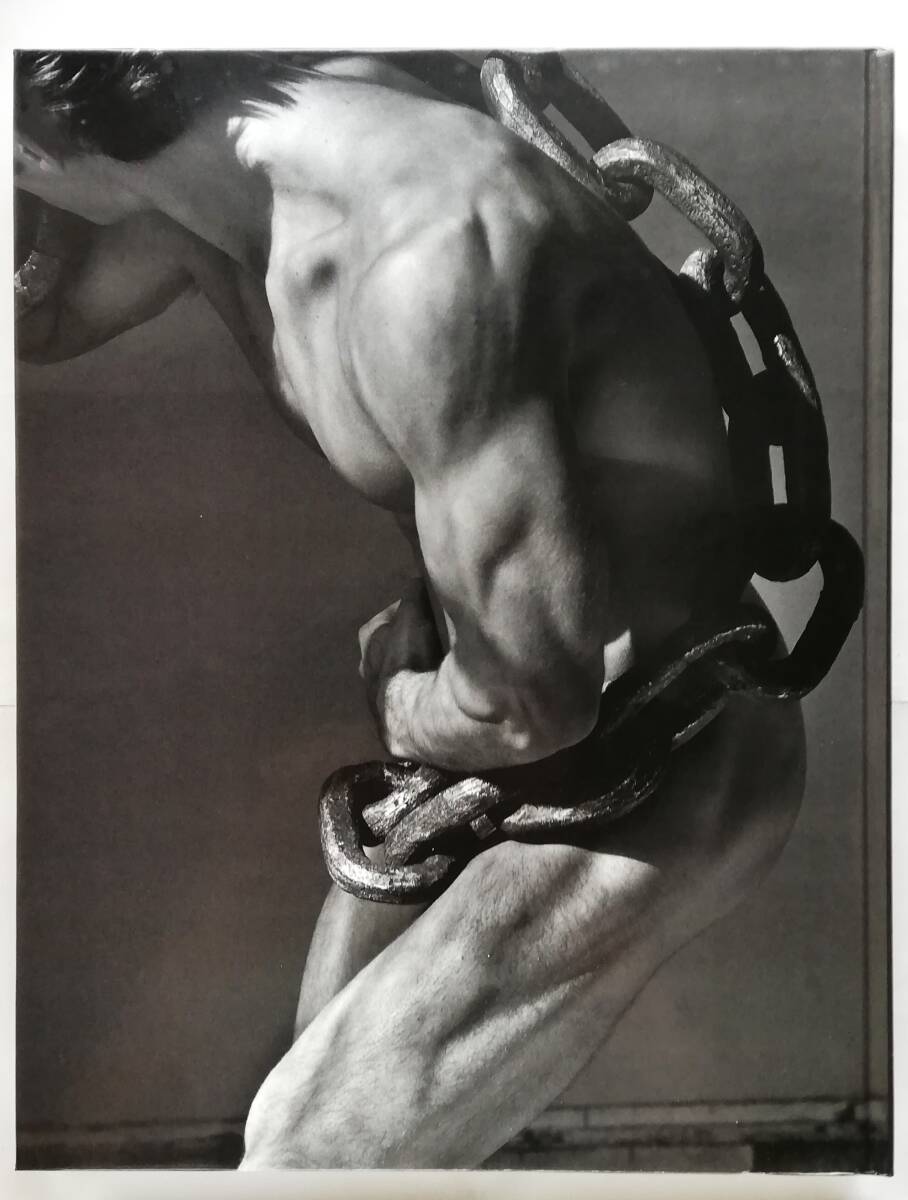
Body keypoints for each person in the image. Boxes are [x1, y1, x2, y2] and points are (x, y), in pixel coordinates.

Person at [15, 51, 806, 1168]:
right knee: (307, 1130)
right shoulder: (216, 186)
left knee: (302, 1156)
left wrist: (398, 693)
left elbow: (531, 704)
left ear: (36, 138)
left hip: (659, 748)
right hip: (487, 755)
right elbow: (41, 316)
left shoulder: (431, 254)